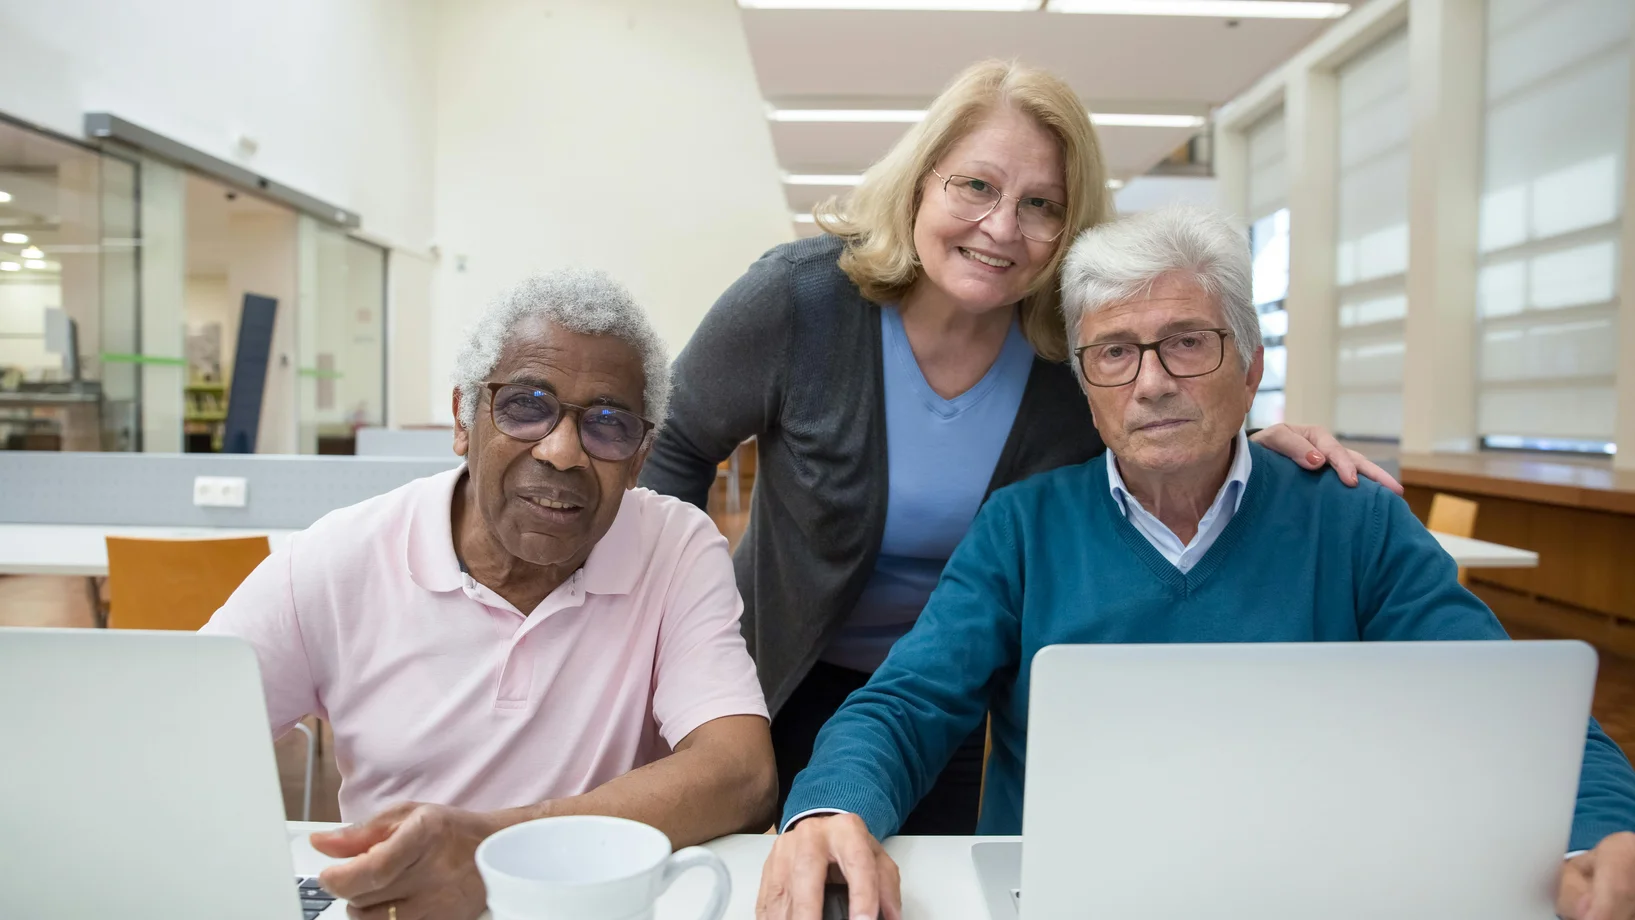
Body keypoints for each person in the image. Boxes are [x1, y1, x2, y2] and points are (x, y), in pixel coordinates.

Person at [755, 206, 1635, 920]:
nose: (1151, 382)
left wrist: (1599, 837)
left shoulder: (1354, 521)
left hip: (1309, 893)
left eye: (1186, 341)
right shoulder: (1021, 528)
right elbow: (907, 702)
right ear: (1089, 389)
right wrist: (832, 805)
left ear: (1248, 370)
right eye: (1114, 352)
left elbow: (1510, 712)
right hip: (1065, 900)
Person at [640, 59, 1401, 837]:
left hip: (959, 675)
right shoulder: (799, 300)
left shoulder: (1068, 348)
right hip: (778, 663)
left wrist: (1253, 444)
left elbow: (1159, 405)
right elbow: (676, 447)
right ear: (919, 182)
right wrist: (668, 644)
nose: (1001, 227)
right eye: (974, 186)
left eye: (1041, 205)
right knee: (761, 858)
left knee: (927, 862)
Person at [202, 269, 776, 920]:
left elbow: (741, 773)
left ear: (639, 457)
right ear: (461, 419)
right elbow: (179, 740)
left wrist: (494, 853)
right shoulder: (340, 557)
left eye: (608, 425)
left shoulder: (673, 547)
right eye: (526, 405)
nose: (561, 453)